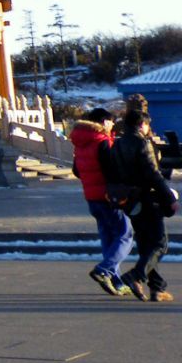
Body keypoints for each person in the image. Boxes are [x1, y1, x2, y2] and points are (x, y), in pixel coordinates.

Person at [111, 97, 175, 302]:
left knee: (147, 244)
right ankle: (135, 276)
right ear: (142, 124)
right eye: (148, 124)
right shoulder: (142, 143)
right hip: (148, 198)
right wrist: (168, 196)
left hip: (129, 200)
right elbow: (152, 173)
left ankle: (157, 287)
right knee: (160, 243)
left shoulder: (117, 145)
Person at [70, 106, 134, 296]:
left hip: (91, 197)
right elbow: (112, 169)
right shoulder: (102, 141)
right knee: (125, 234)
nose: (113, 124)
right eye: (111, 120)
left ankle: (116, 280)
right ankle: (104, 270)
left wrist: (91, 182)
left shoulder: (80, 142)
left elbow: (76, 170)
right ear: (103, 122)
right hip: (108, 197)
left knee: (108, 237)